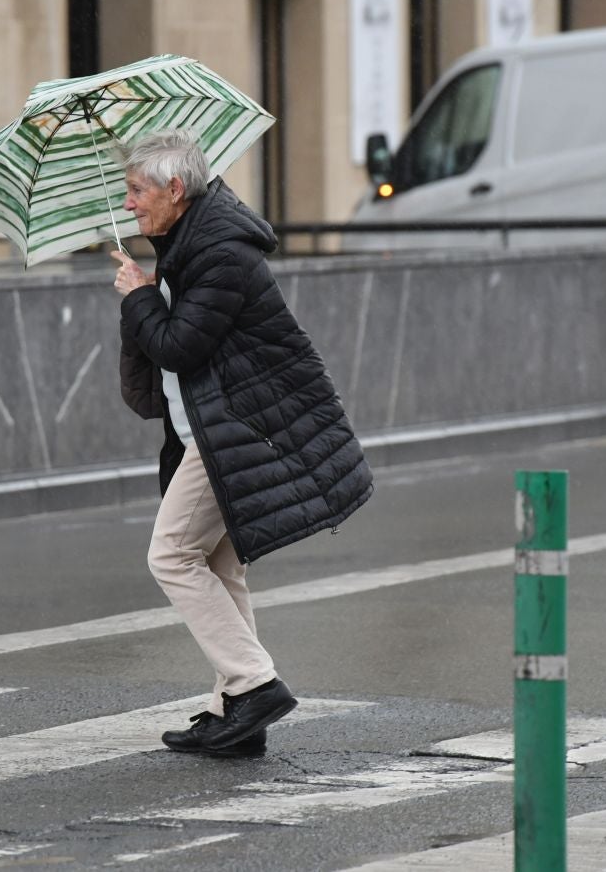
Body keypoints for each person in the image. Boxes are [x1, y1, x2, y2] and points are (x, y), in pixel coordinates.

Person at [112, 129, 373, 758]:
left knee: (172, 555)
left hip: (246, 425)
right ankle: (237, 710)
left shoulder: (222, 251)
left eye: (137, 190)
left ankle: (255, 686)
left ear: (176, 189)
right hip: (213, 425)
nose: (129, 204)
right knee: (219, 563)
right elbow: (155, 377)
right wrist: (143, 294)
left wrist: (142, 297)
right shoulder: (183, 245)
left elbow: (180, 346)